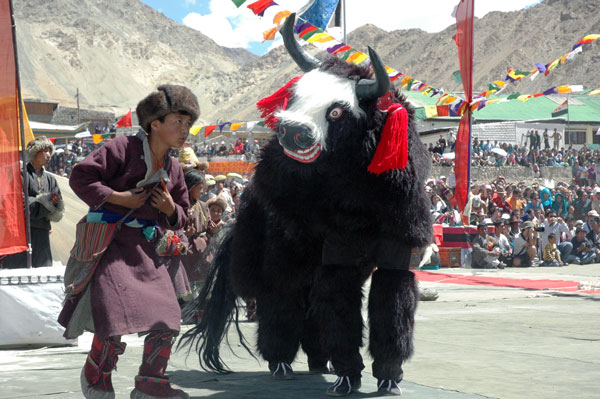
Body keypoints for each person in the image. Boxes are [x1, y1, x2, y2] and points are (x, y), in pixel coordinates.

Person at [58, 84, 199, 399]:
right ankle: (97, 373)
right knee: (114, 316)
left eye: (189, 124)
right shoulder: (120, 149)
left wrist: (169, 209)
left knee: (167, 315)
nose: (185, 130)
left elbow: (183, 216)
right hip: (111, 244)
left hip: (150, 250)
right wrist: (118, 197)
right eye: (178, 122)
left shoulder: (174, 168)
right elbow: (81, 176)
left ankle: (151, 383)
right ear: (155, 124)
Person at [1, 136, 64, 268]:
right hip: (21, 232)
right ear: (35, 152)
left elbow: (57, 205)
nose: (48, 155)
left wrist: (51, 203)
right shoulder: (20, 174)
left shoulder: (50, 179)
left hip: (42, 231)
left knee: (42, 269)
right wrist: (45, 202)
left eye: (49, 152)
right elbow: (17, 203)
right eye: (45, 151)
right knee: (18, 270)